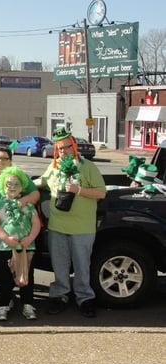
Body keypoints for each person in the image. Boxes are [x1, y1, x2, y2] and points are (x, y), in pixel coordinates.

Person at [35, 128, 106, 318]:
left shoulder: (87, 166)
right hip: (57, 226)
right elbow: (41, 182)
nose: (63, 151)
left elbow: (101, 192)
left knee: (82, 265)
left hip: (82, 227)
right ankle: (60, 295)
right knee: (59, 265)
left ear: (74, 146)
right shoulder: (54, 166)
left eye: (67, 147)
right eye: (59, 148)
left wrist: (79, 190)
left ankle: (85, 298)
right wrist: (16, 182)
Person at [0, 147, 39, 306]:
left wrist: (23, 201)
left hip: (12, 230)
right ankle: (3, 293)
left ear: (10, 161)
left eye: (3, 158)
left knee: (9, 263)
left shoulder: (17, 176)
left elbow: (35, 194)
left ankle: (7, 294)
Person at [0, 166, 41, 321]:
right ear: (3, 185)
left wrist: (29, 239)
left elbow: (36, 223)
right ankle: (3, 306)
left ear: (22, 187)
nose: (12, 187)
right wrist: (6, 238)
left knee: (27, 277)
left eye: (16, 184)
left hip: (27, 248)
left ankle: (27, 305)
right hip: (5, 247)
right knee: (4, 279)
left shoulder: (28, 205)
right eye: (8, 184)